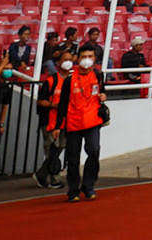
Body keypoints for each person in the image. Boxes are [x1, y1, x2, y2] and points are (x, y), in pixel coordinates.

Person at [52, 47, 107, 201]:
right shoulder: (69, 79)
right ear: (78, 58)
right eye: (83, 56)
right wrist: (58, 126)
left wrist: (103, 97)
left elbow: (102, 92)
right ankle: (73, 190)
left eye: (90, 56)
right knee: (73, 158)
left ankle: (89, 185)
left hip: (93, 120)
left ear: (95, 58)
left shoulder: (98, 75)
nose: (86, 59)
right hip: (74, 123)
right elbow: (62, 103)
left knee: (94, 150)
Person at [33, 49, 73, 189]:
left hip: (65, 122)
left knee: (60, 147)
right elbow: (40, 101)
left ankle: (42, 174)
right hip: (50, 121)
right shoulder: (51, 81)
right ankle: (55, 179)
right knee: (51, 149)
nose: (68, 62)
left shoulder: (73, 80)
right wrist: (55, 105)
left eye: (70, 59)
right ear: (58, 63)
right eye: (65, 59)